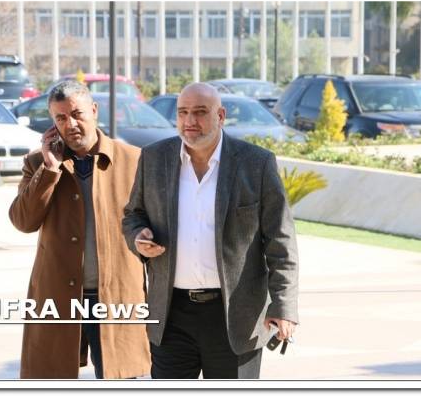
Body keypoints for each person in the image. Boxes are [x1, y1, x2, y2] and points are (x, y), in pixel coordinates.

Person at [122, 83, 299, 379]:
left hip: (235, 318)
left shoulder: (256, 163)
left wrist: (283, 305)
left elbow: (280, 241)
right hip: (170, 316)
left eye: (200, 112)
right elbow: (133, 215)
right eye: (183, 112)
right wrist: (138, 236)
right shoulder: (154, 158)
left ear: (221, 115)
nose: (190, 121)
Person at [8, 80, 150, 379]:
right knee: (53, 378)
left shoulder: (134, 160)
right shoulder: (38, 163)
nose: (70, 124)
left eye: (76, 114)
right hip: (58, 296)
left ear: (94, 110)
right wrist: (50, 169)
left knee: (120, 378)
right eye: (60, 118)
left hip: (117, 296)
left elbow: (154, 221)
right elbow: (23, 221)